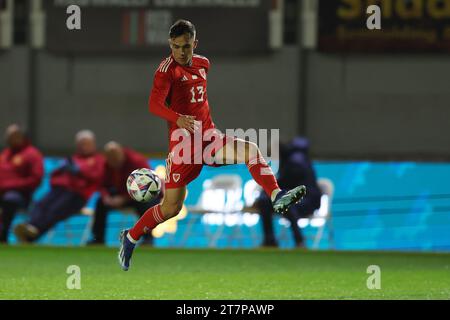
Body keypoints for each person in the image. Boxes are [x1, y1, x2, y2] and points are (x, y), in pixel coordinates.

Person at [118, 19, 306, 271]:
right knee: (171, 208)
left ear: (195, 43)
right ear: (170, 45)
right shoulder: (166, 71)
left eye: (186, 46)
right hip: (183, 148)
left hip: (209, 138)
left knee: (251, 149)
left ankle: (276, 195)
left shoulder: (203, 64)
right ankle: (130, 237)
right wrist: (178, 118)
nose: (181, 52)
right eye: (175, 47)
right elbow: (154, 105)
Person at [14, 130, 104, 243]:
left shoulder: (98, 160)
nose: (84, 147)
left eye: (87, 144)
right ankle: (30, 226)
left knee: (56, 209)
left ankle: (32, 232)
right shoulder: (71, 159)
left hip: (77, 195)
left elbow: (97, 176)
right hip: (59, 190)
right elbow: (54, 175)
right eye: (81, 144)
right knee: (41, 204)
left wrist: (79, 171)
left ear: (93, 144)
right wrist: (62, 171)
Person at [88, 141, 162, 245]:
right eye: (111, 159)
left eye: (116, 158)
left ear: (121, 153)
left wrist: (123, 198)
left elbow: (148, 186)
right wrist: (106, 197)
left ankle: (148, 238)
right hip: (121, 194)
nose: (114, 162)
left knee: (144, 203)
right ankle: (98, 239)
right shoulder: (107, 164)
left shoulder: (137, 162)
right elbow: (101, 183)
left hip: (143, 194)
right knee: (100, 203)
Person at [256, 137, 322, 248]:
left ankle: (299, 242)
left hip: (309, 200)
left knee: (287, 203)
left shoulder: (296, 161)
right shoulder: (286, 161)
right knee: (264, 202)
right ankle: (269, 241)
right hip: (294, 198)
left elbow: (284, 183)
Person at [0, 124, 44, 243]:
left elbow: (36, 179)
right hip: (2, 192)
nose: (11, 139)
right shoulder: (5, 154)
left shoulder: (32, 154)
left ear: (22, 137)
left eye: (15, 136)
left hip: (21, 195)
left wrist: (10, 185)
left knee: (10, 199)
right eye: (9, 136)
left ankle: (2, 235)